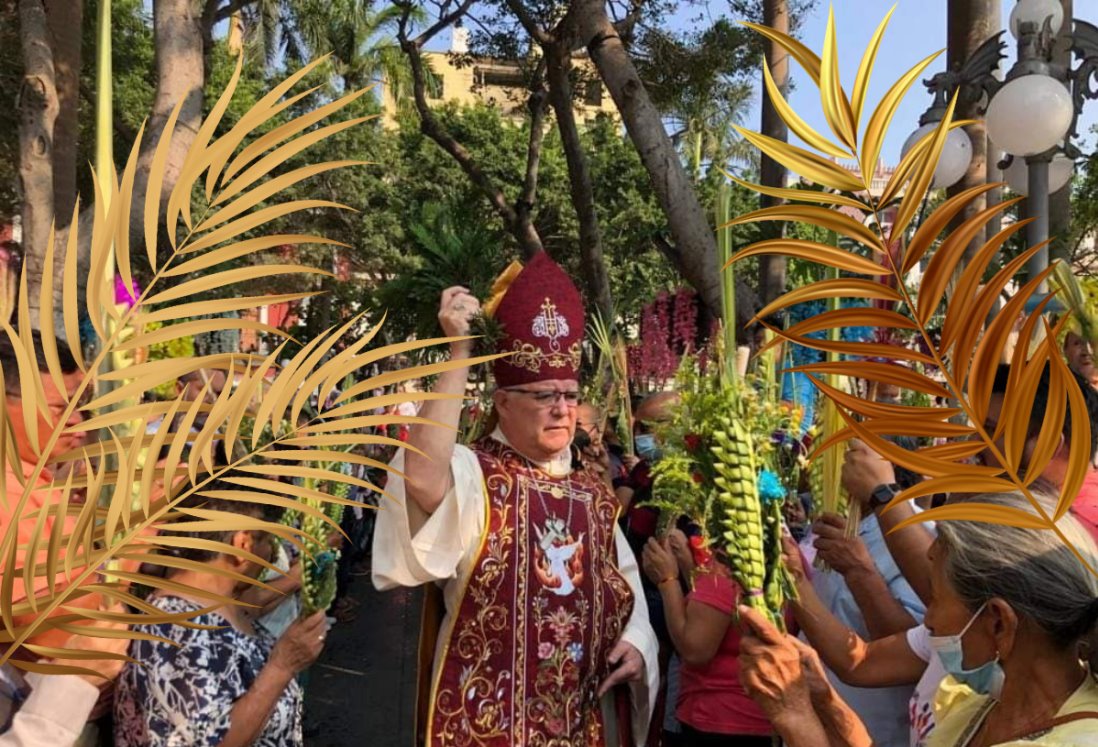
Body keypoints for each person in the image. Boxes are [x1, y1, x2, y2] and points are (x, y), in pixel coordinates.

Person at [372, 253, 658, 745]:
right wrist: (460, 350)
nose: (562, 409)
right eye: (544, 395)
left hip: (580, 718)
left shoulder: (591, 494)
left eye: (569, 395)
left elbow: (624, 588)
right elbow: (420, 476)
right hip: (487, 722)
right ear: (504, 401)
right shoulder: (476, 473)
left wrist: (635, 642)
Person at [740, 491, 1098, 747]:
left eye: (937, 599)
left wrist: (796, 717)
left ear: (998, 623)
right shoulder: (982, 703)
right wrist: (823, 700)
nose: (928, 620)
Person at [113, 486, 328, 747]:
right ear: (242, 544)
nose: (270, 555)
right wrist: (282, 666)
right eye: (267, 542)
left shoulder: (216, 606)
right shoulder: (173, 627)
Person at [642, 535, 795, 746]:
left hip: (718, 719)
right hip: (758, 715)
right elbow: (719, 613)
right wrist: (689, 568)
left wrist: (667, 581)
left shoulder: (729, 564)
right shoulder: (771, 552)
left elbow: (695, 650)